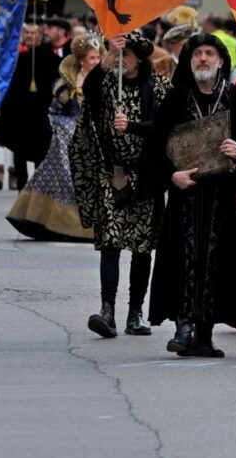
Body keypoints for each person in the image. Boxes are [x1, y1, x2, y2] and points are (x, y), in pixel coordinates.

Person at [146, 34, 236, 358]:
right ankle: (183, 327)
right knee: (182, 257)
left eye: (210, 54)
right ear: (189, 60)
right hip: (186, 194)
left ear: (221, 61)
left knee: (218, 259)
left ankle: (205, 335)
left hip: (222, 195)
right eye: (198, 54)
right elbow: (155, 145)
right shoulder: (176, 98)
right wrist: (172, 176)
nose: (204, 59)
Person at [69, 32, 171, 339]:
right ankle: (107, 310)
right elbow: (88, 89)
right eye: (117, 55)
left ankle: (135, 313)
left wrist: (134, 127)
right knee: (110, 243)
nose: (121, 61)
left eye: (126, 55)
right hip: (110, 173)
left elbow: (168, 126)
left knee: (142, 248)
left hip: (146, 176)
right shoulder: (105, 83)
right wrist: (108, 56)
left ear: (139, 58)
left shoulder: (159, 87)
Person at [7, 34, 102, 241]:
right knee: (67, 179)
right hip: (67, 134)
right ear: (81, 60)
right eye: (92, 57)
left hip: (94, 135)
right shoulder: (66, 81)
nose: (96, 61)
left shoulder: (104, 80)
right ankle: (63, 225)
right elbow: (55, 110)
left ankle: (86, 226)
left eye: (98, 57)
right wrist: (59, 128)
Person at [0, 23, 61, 190]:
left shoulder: (51, 60)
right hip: (19, 114)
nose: (30, 36)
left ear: (40, 35)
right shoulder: (17, 59)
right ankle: (21, 185)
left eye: (33, 33)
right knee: (19, 151)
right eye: (27, 33)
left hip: (42, 115)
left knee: (41, 152)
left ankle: (37, 189)